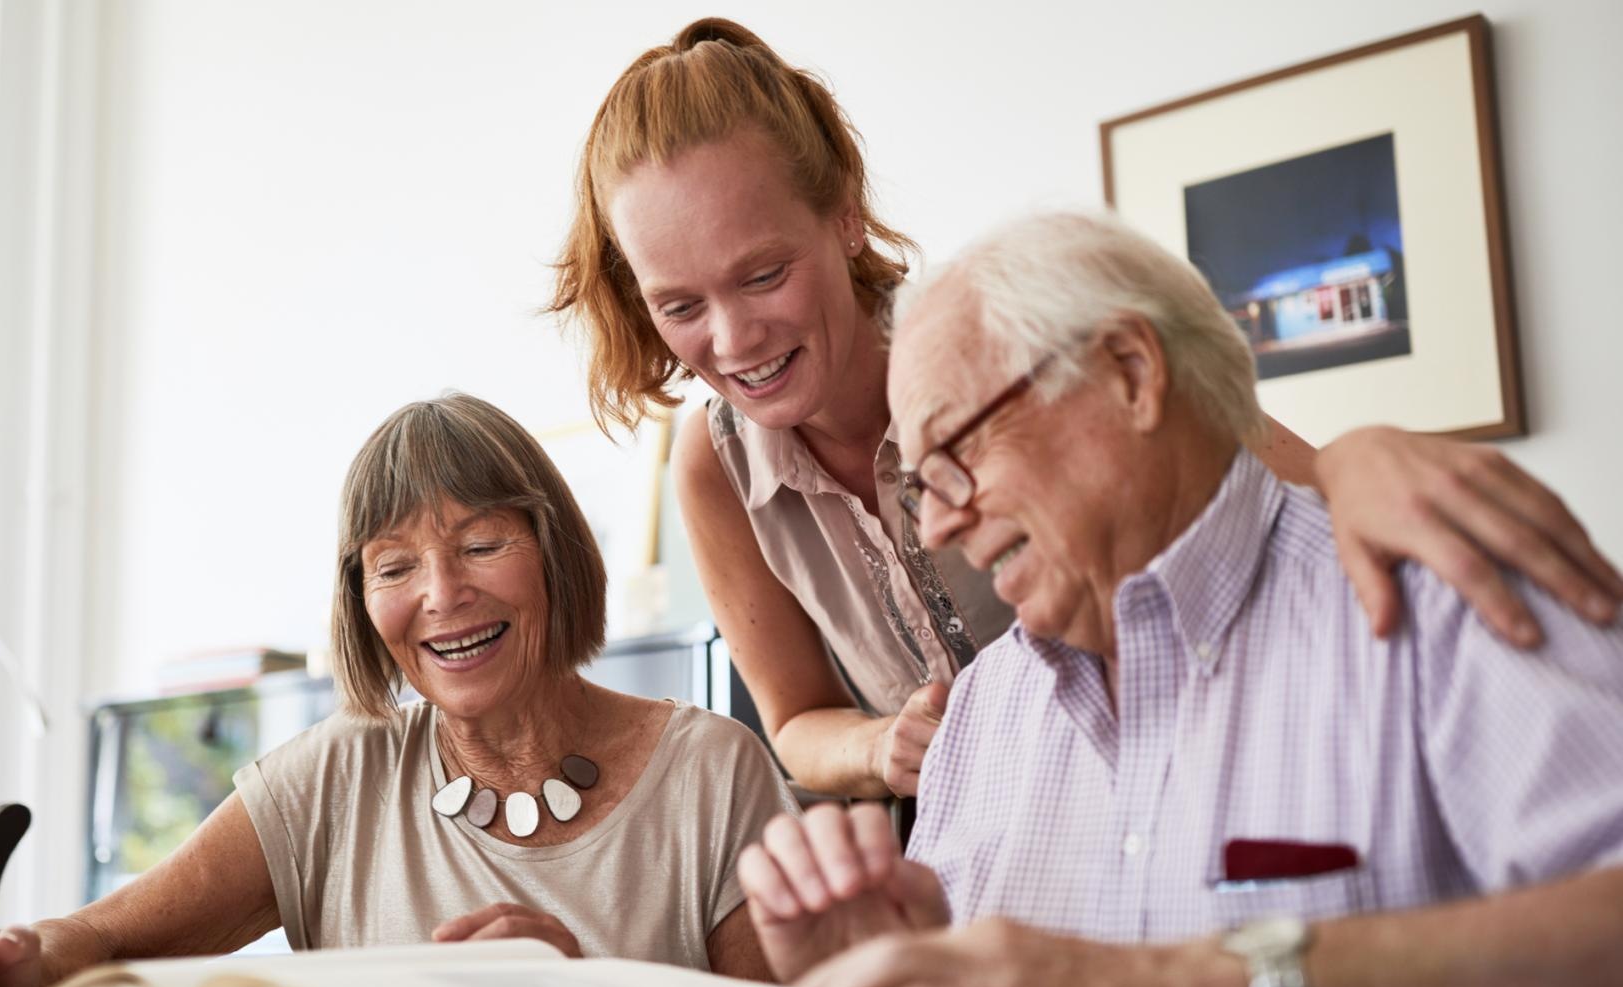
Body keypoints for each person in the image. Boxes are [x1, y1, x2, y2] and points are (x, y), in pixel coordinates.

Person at [550, 18, 1623, 800]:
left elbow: (1272, 467)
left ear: (842, 216)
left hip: (1182, 750)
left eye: (764, 274)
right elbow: (790, 723)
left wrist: (1370, 456)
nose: (732, 342)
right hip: (976, 820)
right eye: (680, 304)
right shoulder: (713, 462)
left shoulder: (998, 336)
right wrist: (885, 749)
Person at [735, 210, 1623, 987]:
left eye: (956, 456)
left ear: (1129, 372)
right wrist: (896, 980)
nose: (935, 527)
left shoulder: (1442, 593)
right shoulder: (982, 709)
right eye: (922, 485)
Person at [0, 395, 796, 987]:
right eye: (394, 567)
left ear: (553, 553)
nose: (442, 593)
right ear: (362, 599)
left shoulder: (715, 770)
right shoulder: (335, 774)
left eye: (481, 543)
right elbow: (105, 939)